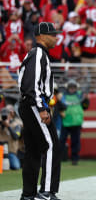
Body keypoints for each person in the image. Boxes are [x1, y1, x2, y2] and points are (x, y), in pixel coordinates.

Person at [18, 22, 62, 200]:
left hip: (30, 105)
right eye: (52, 34)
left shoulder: (37, 54)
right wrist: (42, 108)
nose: (55, 37)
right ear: (42, 36)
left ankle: (28, 194)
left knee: (33, 150)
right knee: (51, 145)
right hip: (34, 105)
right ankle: (46, 192)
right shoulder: (38, 54)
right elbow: (31, 86)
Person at [59, 79, 88, 166]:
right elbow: (59, 106)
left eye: (73, 87)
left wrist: (86, 99)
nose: (72, 89)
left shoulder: (80, 95)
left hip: (76, 122)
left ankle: (75, 159)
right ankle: (58, 158)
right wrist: (61, 111)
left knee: (75, 142)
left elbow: (86, 106)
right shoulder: (63, 96)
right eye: (70, 87)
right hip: (66, 122)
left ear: (76, 88)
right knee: (61, 141)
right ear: (67, 88)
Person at [0, 105, 23, 170]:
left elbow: (16, 137)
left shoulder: (16, 125)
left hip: (11, 152)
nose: (5, 117)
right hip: (0, 151)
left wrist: (8, 126)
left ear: (10, 115)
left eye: (6, 115)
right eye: (3, 115)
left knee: (16, 166)